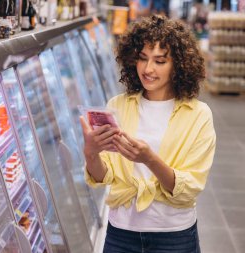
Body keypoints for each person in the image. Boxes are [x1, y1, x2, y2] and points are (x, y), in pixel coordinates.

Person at [80, 15, 216, 253]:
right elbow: (106, 176)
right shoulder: (119, 105)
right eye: (142, 58)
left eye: (160, 61)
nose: (148, 69)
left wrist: (149, 160)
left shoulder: (198, 115)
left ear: (179, 64)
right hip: (121, 232)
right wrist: (91, 154)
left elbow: (190, 188)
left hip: (173, 235)